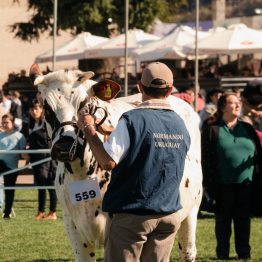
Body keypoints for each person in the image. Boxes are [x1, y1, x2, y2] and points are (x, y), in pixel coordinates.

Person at [77, 62, 191, 262]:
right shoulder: (179, 122)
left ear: (140, 87)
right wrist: (113, 133)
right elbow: (155, 147)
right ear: (171, 90)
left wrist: (89, 130)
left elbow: (107, 162)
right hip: (169, 214)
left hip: (133, 215)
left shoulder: (132, 119)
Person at [201, 93, 262, 260]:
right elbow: (205, 160)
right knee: (223, 222)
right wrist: (206, 184)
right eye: (232, 103)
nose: (237, 105)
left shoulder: (248, 129)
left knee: (244, 220)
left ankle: (244, 253)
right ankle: (222, 254)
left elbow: (258, 155)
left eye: (238, 102)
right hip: (221, 185)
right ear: (222, 107)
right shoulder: (212, 130)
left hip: (246, 184)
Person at [27, 98, 57, 220]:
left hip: (48, 160)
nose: (34, 111)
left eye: (37, 108)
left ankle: (53, 212)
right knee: (41, 186)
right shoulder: (30, 125)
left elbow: (48, 142)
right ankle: (41, 212)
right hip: (36, 161)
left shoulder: (47, 124)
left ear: (42, 110)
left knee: (50, 186)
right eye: (32, 109)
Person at [0, 113, 27, 219]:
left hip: (12, 167)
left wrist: (27, 160)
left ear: (12, 122)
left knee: (9, 190)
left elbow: (23, 153)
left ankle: (7, 213)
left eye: (6, 122)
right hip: (0, 163)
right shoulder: (0, 135)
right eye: (2, 123)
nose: (4, 125)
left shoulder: (19, 136)